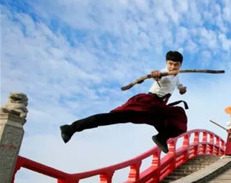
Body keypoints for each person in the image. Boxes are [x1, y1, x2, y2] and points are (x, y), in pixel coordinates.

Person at [60, 51, 188, 153]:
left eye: (176, 65)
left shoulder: (177, 76)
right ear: (166, 63)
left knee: (179, 120)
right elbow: (158, 76)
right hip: (147, 103)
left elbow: (178, 84)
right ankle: (71, 128)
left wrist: (181, 89)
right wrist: (156, 75)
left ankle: (161, 137)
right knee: (113, 118)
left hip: (159, 109)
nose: (172, 67)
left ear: (180, 65)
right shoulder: (163, 73)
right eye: (170, 64)